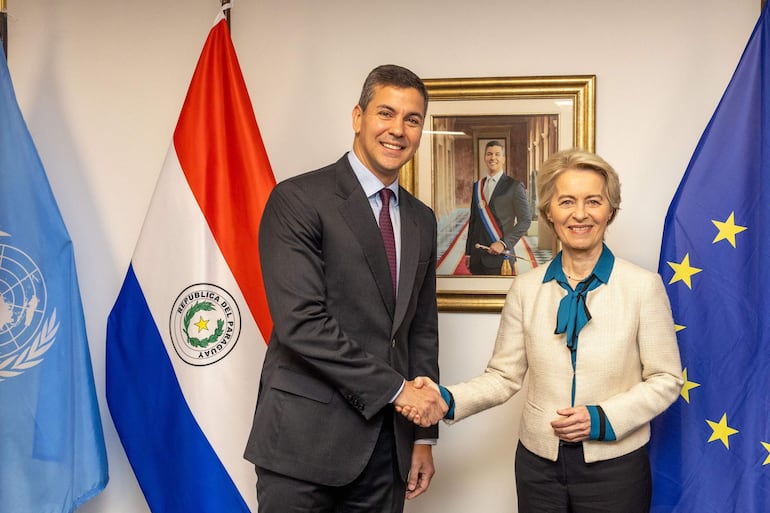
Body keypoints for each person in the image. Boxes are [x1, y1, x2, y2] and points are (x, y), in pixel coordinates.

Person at [402, 148, 683, 512]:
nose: (580, 214)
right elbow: (503, 377)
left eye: (593, 201)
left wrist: (601, 418)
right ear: (549, 211)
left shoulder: (644, 287)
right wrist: (446, 399)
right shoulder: (526, 288)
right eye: (566, 201)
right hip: (538, 467)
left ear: (610, 210)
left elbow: (666, 379)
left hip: (616, 470)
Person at [244, 64, 447, 513]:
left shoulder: (421, 219)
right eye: (386, 114)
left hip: (387, 450)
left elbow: (420, 331)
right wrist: (399, 391)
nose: (398, 130)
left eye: (412, 120)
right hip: (303, 445)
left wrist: (422, 435)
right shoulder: (298, 199)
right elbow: (301, 324)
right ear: (358, 116)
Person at [465, 140, 531, 275]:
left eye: (497, 154)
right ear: (484, 158)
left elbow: (525, 220)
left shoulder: (515, 186)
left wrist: (503, 243)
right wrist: (468, 253)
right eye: (489, 154)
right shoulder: (477, 186)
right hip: (477, 257)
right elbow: (473, 222)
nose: (492, 158)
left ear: (503, 159)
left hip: (500, 258)